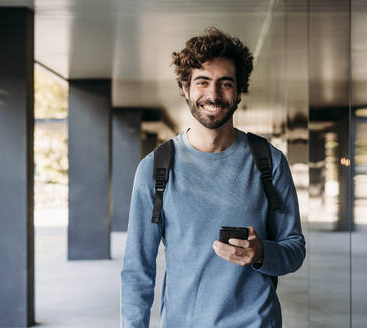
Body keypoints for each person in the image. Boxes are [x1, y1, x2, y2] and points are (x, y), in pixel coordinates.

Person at [120, 27, 306, 328]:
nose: (214, 95)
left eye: (225, 84)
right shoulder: (156, 168)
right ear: (186, 88)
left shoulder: (269, 162)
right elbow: (136, 268)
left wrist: (261, 254)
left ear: (239, 91)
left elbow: (294, 249)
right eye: (203, 82)